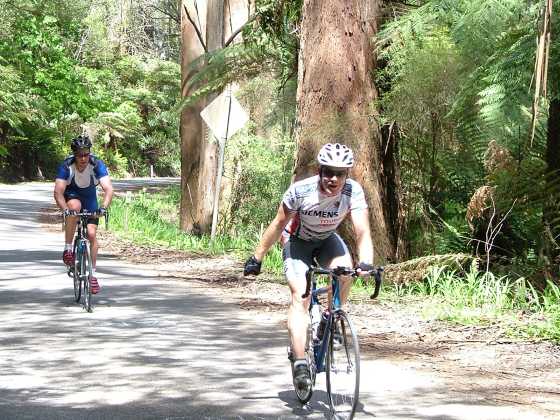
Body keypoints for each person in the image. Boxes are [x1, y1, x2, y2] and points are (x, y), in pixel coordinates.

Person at [243, 142, 375, 390]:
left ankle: (329, 318)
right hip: (297, 242)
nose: (333, 179)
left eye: (340, 174)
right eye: (328, 172)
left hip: (326, 240)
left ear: (347, 174)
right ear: (319, 170)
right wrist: (257, 257)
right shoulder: (301, 191)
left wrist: (366, 261)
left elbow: (362, 231)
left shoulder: (353, 191)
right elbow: (278, 225)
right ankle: (300, 361)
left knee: (345, 272)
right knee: (300, 295)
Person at [53, 134, 114, 294]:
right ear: (74, 154)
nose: (83, 158)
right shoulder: (66, 166)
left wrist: (103, 207)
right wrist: (65, 209)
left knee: (92, 234)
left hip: (90, 199)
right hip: (72, 195)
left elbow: (108, 189)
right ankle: (68, 249)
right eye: (80, 155)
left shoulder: (96, 164)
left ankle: (92, 274)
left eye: (86, 154)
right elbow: (58, 192)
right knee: (74, 206)